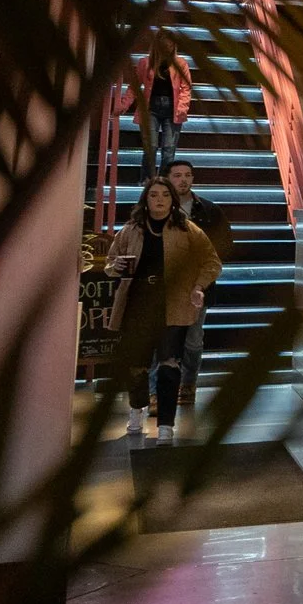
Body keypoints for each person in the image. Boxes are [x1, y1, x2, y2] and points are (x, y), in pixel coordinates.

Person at [104, 176, 221, 444]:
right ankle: (137, 407)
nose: (159, 200)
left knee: (170, 365)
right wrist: (117, 267)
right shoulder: (132, 229)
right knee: (136, 365)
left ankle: (167, 424)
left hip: (174, 303)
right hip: (137, 303)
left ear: (173, 200)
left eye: (165, 195)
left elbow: (212, 262)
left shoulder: (187, 229)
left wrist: (198, 286)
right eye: (154, 195)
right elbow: (110, 263)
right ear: (145, 199)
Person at [164, 158, 235, 408]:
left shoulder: (208, 209)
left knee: (193, 338)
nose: (183, 180)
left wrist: (205, 265)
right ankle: (161, 390)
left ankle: (188, 385)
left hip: (198, 284)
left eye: (188, 175)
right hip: (166, 285)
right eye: (177, 175)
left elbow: (226, 243)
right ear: (167, 178)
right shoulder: (157, 208)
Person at [128, 29, 193, 176]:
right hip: (151, 108)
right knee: (150, 147)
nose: (168, 48)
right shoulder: (145, 63)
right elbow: (134, 86)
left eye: (170, 45)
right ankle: (148, 180)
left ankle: (165, 181)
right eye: (165, 45)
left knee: (169, 149)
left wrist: (182, 108)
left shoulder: (180, 63)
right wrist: (124, 104)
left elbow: (186, 87)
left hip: (173, 109)